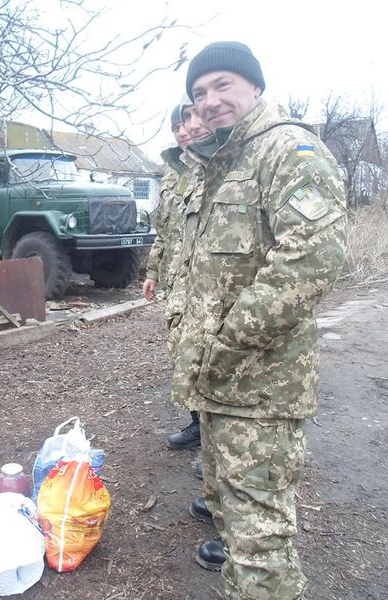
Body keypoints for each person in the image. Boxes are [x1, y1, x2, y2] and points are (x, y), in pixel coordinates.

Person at [171, 42, 347, 599]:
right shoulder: (223, 161)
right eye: (199, 94)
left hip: (260, 387)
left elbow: (313, 256)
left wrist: (227, 343)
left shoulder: (288, 151)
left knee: (260, 541)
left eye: (222, 85)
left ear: (255, 87)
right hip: (217, 385)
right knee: (232, 521)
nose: (209, 102)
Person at [143, 100, 208, 452]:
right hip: (178, 283)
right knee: (183, 355)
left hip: (203, 283)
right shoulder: (173, 171)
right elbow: (165, 231)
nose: (182, 131)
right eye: (176, 127)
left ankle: (216, 442)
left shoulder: (211, 166)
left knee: (205, 357)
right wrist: (153, 270)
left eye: (187, 123)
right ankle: (199, 425)